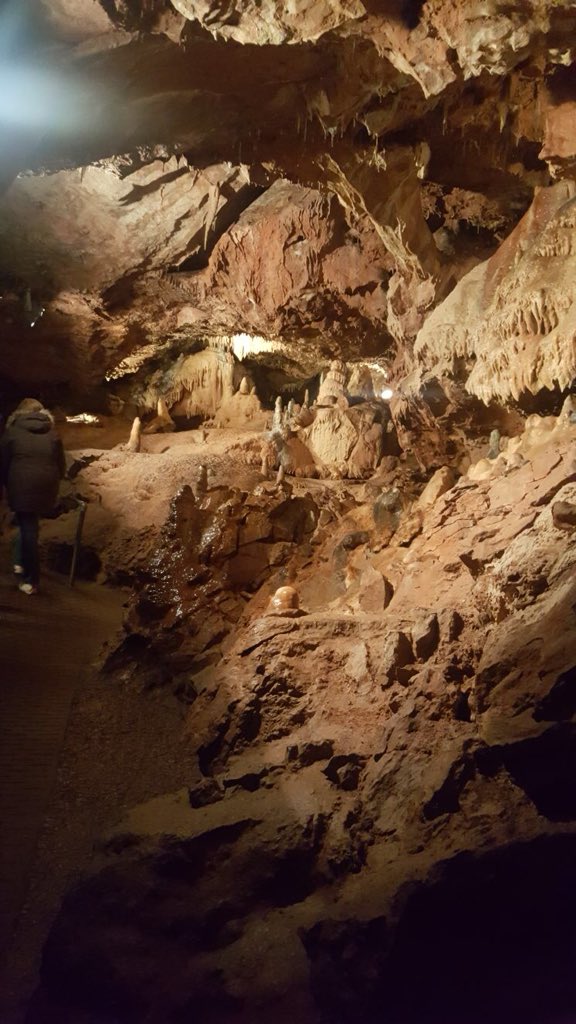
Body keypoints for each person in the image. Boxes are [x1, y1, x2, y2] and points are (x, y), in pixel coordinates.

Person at [0, 398, 66, 595]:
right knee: (28, 525)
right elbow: (61, 465)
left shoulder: (11, 433)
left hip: (21, 484)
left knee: (28, 528)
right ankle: (20, 561)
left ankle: (31, 578)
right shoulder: (53, 434)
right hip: (46, 485)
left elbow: (3, 463)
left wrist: (4, 486)